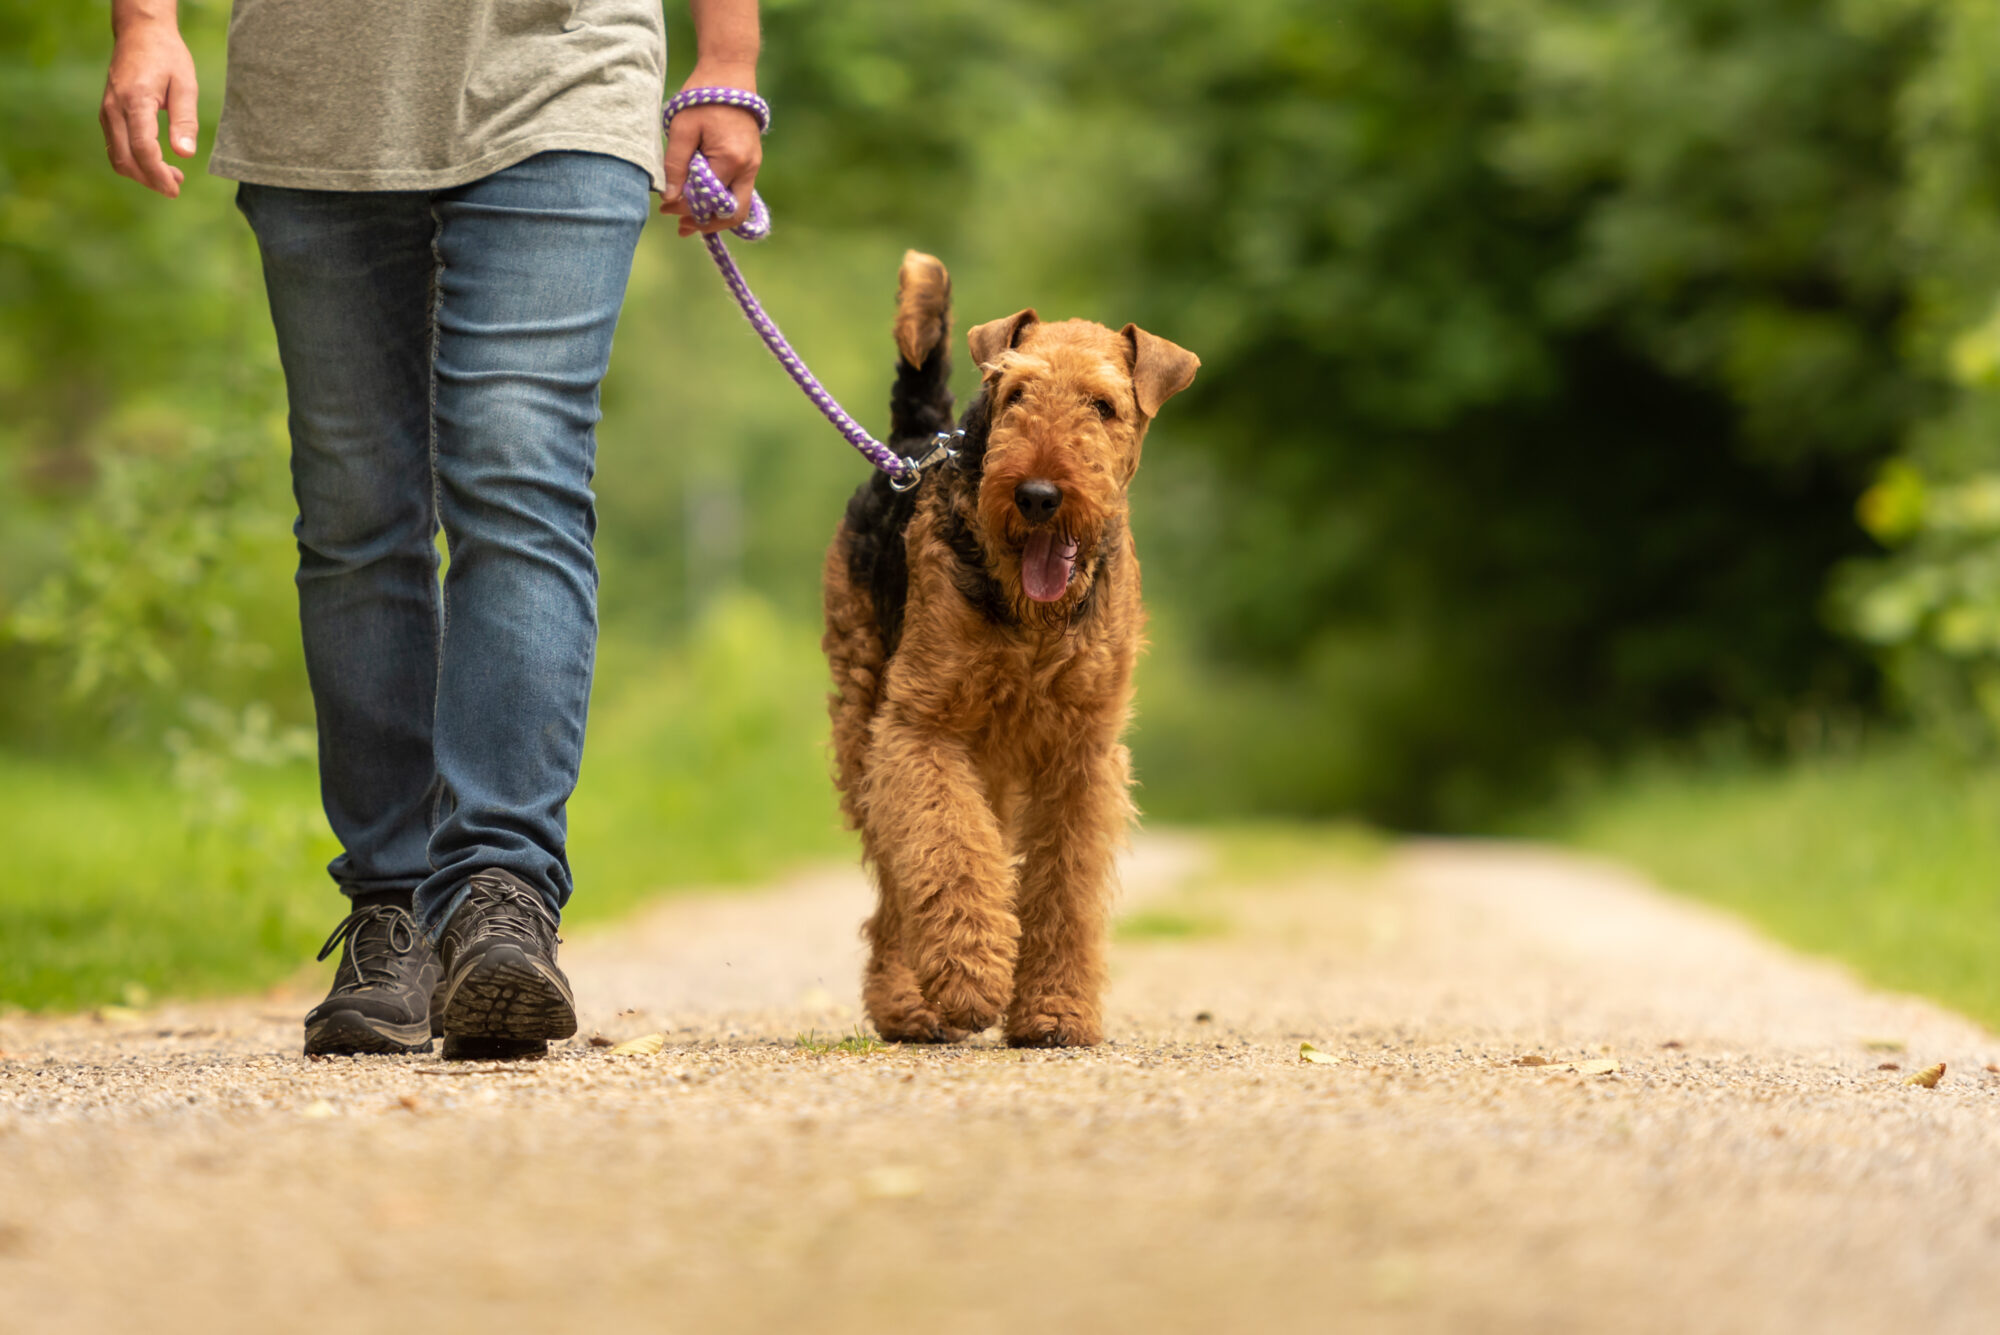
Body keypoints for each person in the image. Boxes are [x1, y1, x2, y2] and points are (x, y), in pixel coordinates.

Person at [99, 0, 764, 1059]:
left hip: (566, 67)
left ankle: (500, 892)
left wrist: (725, 64)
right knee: (356, 512)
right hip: (314, 99)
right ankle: (394, 907)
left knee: (516, 469)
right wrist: (145, 22)